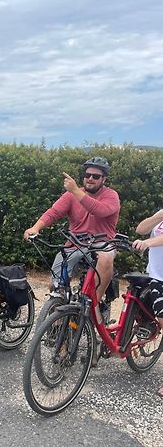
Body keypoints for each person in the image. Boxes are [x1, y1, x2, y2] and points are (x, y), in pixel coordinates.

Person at [24, 157, 120, 306]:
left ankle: (93, 304)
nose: (90, 179)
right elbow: (53, 212)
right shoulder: (71, 195)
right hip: (75, 243)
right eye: (87, 175)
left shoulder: (111, 195)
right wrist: (35, 228)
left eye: (96, 176)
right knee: (54, 285)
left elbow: (99, 210)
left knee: (106, 258)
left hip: (102, 242)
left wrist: (75, 190)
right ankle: (57, 321)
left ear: (104, 179)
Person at [132, 211, 163, 398]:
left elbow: (150, 240)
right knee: (159, 319)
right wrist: (159, 215)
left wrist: (148, 243)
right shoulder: (160, 214)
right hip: (157, 276)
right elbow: (140, 229)